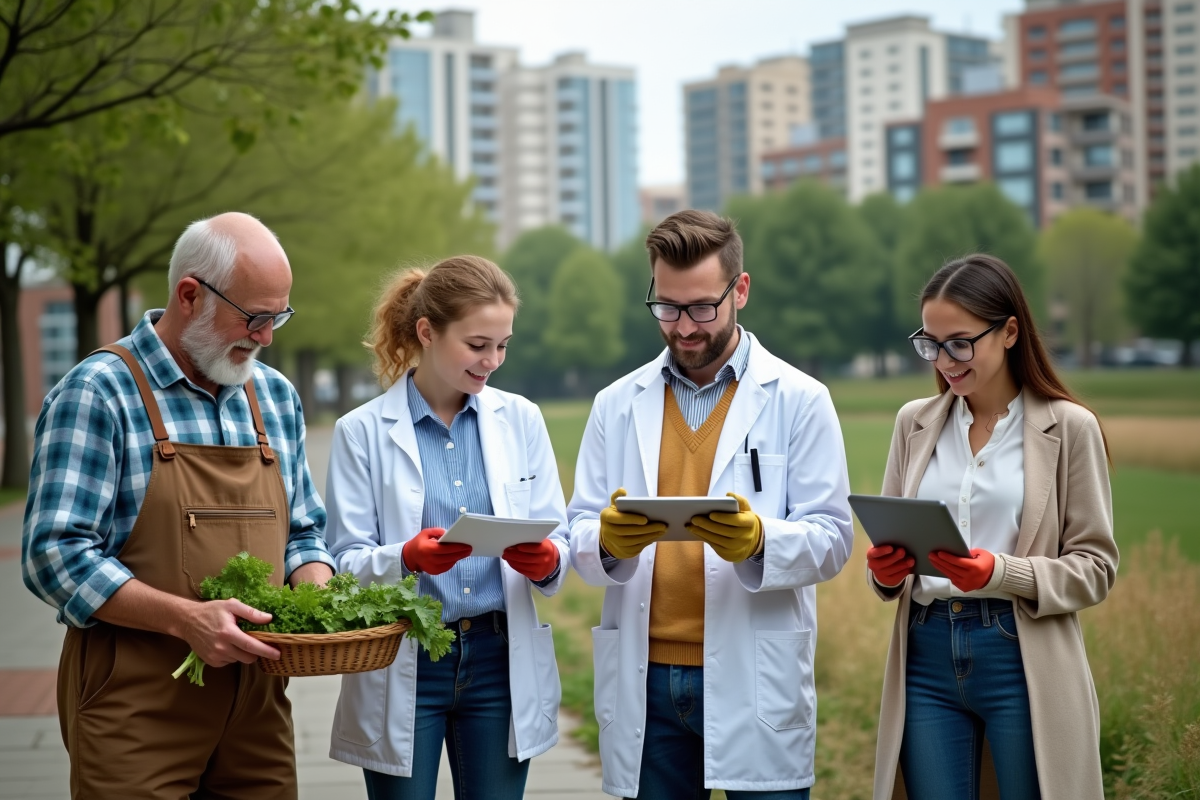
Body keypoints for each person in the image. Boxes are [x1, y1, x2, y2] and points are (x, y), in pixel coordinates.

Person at [22, 212, 334, 799]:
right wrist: (185, 619)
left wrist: (314, 586)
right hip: (135, 703)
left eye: (278, 318)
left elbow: (304, 532)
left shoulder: (273, 396)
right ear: (190, 294)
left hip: (257, 706)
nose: (267, 337)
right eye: (255, 318)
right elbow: (53, 555)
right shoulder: (98, 392)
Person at [567, 210, 854, 799]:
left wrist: (760, 543)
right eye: (667, 308)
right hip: (645, 682)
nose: (683, 327)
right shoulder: (616, 404)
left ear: (740, 290)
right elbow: (576, 532)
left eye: (701, 307)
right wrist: (604, 543)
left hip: (755, 675)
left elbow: (833, 538)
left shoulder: (801, 399)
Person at [866, 254, 1119, 800]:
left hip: (1019, 653)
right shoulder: (913, 423)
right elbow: (892, 547)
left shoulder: (1070, 427)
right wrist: (887, 573)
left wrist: (1001, 573)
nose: (943, 360)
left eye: (959, 342)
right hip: (925, 652)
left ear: (1008, 332)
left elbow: (1096, 569)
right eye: (930, 343)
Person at [324, 255, 569, 800]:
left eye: (503, 345)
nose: (493, 361)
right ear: (427, 332)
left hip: (498, 662)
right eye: (478, 344)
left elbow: (561, 536)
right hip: (404, 659)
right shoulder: (360, 432)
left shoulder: (522, 420)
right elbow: (342, 564)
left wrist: (549, 559)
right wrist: (405, 559)